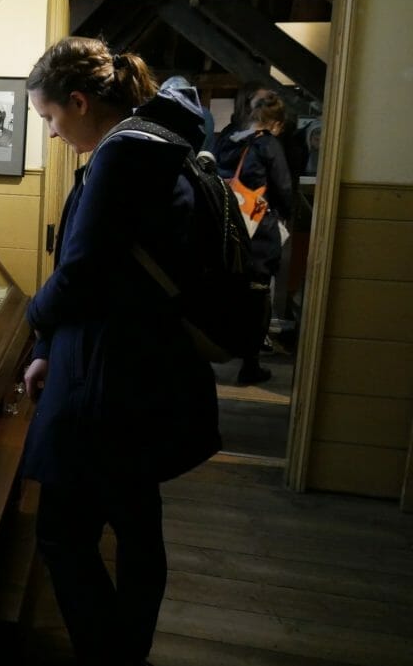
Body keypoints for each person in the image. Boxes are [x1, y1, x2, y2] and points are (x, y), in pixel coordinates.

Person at [22, 36, 218, 666]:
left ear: (79, 102)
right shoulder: (155, 142)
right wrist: (50, 344)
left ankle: (111, 654)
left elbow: (82, 271)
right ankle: (125, 651)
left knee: (62, 532)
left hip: (108, 378)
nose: (52, 134)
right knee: (135, 523)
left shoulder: (122, 157)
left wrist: (34, 321)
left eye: (51, 118)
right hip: (138, 365)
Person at [213, 90, 293, 384]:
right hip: (257, 232)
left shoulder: (228, 139)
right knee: (257, 295)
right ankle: (250, 364)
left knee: (227, 291)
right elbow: (283, 189)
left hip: (224, 227)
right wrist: (285, 215)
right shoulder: (268, 145)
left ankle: (220, 350)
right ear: (276, 123)